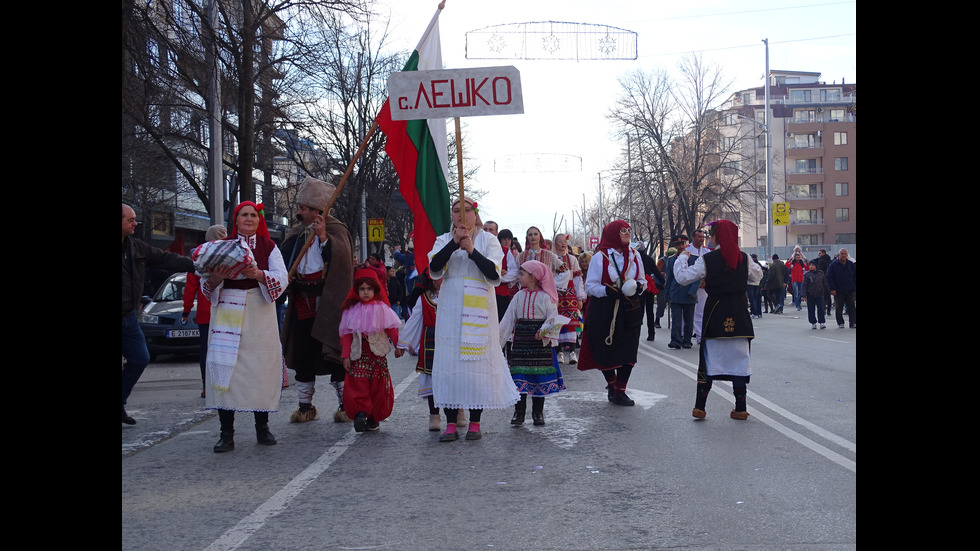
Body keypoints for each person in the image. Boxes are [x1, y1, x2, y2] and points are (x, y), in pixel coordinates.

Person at [197, 201, 288, 452]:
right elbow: (206, 284)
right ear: (235, 220)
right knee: (225, 369)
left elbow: (282, 278)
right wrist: (216, 278)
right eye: (244, 215)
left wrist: (258, 275)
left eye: (253, 215)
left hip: (259, 309)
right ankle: (226, 433)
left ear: (259, 220)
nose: (249, 219)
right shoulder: (220, 247)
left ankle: (263, 426)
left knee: (261, 367)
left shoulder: (270, 247)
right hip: (227, 308)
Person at [427, 198, 520, 441]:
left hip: (479, 304)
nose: (460, 215)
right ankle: (450, 422)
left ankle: (475, 422)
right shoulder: (442, 239)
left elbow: (494, 273)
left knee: (476, 363)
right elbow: (434, 268)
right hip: (451, 305)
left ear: (474, 214)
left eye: (465, 210)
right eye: (456, 211)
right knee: (450, 363)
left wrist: (471, 250)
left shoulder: (488, 240)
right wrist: (454, 244)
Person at [280, 177, 355, 424]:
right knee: (303, 354)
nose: (299, 212)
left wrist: (323, 237)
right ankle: (305, 407)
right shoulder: (296, 232)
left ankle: (345, 406)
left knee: (332, 353)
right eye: (299, 207)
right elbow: (284, 261)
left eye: (303, 208)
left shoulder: (335, 229)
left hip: (328, 303)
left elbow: (341, 261)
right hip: (302, 302)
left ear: (317, 211)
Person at [674, 219, 762, 420]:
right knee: (740, 358)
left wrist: (683, 257)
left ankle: (700, 407)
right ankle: (740, 408)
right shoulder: (745, 258)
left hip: (716, 311)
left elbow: (683, 278)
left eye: (712, 235)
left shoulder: (708, 259)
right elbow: (757, 278)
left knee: (709, 358)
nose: (710, 239)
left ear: (716, 237)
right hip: (739, 312)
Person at [122, 204, 196, 425]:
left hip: (129, 317)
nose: (135, 223)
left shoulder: (136, 247)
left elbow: (165, 259)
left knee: (140, 358)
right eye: (130, 220)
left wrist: (196, 265)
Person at [576, 220, 646, 406]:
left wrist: (639, 286)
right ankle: (612, 383)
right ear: (613, 233)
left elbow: (642, 279)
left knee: (628, 349)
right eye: (622, 231)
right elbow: (590, 286)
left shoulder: (635, 255)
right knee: (604, 348)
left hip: (630, 308)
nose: (627, 234)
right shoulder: (601, 257)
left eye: (628, 231)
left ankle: (620, 390)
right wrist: (608, 291)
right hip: (605, 309)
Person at [498, 260, 569, 426]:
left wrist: (543, 331)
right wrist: (497, 343)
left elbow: (553, 318)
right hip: (521, 343)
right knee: (519, 377)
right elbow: (507, 321)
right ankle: (519, 412)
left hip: (539, 343)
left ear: (533, 277)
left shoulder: (546, 298)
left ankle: (538, 413)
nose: (518, 277)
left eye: (522, 274)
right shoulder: (518, 296)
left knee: (538, 377)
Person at [339, 268, 402, 432]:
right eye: (362, 289)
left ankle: (374, 417)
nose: (365, 292)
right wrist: (345, 356)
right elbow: (347, 335)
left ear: (375, 289)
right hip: (358, 354)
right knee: (357, 384)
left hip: (377, 354)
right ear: (356, 290)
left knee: (378, 387)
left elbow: (391, 329)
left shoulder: (381, 308)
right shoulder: (351, 310)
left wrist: (398, 346)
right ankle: (360, 413)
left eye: (369, 289)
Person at [182, 224, 227, 398]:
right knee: (226, 350)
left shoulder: (198, 257)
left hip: (205, 312)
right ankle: (225, 383)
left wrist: (186, 311)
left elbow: (190, 287)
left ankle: (206, 386)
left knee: (206, 350)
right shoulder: (231, 256)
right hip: (227, 311)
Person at [398, 269, 444, 431]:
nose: (442, 280)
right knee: (431, 379)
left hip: (449, 341)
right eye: (438, 277)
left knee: (453, 377)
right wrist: (402, 344)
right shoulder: (423, 299)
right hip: (431, 341)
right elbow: (413, 322)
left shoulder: (454, 295)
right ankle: (434, 416)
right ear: (431, 280)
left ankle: (458, 412)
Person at [551, 233, 585, 364]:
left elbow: (578, 279)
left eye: (564, 241)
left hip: (570, 293)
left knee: (571, 322)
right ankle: (559, 352)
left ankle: (571, 352)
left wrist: (580, 297)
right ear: (555, 243)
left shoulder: (572, 259)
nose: (563, 243)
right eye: (559, 241)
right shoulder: (551, 258)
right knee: (557, 321)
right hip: (556, 293)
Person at [664, 236, 699, 350]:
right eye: (677, 245)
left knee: (689, 320)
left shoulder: (693, 258)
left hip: (689, 293)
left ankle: (687, 340)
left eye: (682, 244)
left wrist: (692, 291)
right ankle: (675, 340)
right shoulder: (672, 259)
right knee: (676, 319)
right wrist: (667, 294)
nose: (680, 247)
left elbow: (697, 277)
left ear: (686, 244)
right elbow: (669, 278)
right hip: (676, 293)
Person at [686, 230, 712, 343]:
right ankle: (683, 335)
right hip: (689, 285)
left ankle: (700, 336)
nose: (701, 239)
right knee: (686, 312)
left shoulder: (707, 251)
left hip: (702, 285)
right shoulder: (686, 251)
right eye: (699, 237)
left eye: (702, 237)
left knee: (700, 311)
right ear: (693, 238)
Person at [637, 243, 664, 341]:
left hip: (638, 286)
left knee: (639, 311)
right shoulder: (649, 259)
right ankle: (651, 334)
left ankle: (636, 334)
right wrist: (663, 282)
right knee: (650, 311)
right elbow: (656, 272)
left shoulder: (634, 259)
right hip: (649, 285)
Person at [826, 248, 856, 328]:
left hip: (850, 290)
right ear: (839, 255)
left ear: (847, 255)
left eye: (845, 254)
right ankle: (840, 323)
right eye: (842, 254)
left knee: (851, 307)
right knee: (839, 307)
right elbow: (829, 277)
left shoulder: (851, 264)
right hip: (838, 290)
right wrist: (832, 289)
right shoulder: (833, 265)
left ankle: (853, 322)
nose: (843, 255)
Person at [494, 229, 519, 321]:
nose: (507, 241)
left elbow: (514, 272)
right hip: (486, 290)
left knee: (502, 320)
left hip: (502, 292)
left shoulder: (506, 252)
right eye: (504, 239)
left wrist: (498, 277)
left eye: (509, 239)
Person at [801, 261, 830, 329]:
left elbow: (825, 283)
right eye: (810, 265)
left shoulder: (821, 274)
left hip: (819, 294)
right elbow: (804, 286)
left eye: (813, 265)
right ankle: (813, 322)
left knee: (821, 308)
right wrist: (804, 295)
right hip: (810, 294)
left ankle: (821, 322)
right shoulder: (807, 275)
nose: (811, 266)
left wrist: (828, 291)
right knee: (811, 309)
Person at [813, 248, 834, 316]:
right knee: (828, 296)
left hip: (823, 279)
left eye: (819, 253)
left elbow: (820, 270)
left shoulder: (821, 261)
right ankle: (829, 310)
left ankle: (824, 309)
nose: (818, 255)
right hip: (830, 279)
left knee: (823, 296)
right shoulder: (829, 260)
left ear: (823, 253)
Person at [746, 253, 764, 319]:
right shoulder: (757, 265)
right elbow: (761, 275)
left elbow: (748, 274)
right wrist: (758, 280)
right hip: (757, 284)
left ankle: (754, 313)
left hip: (750, 284)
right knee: (757, 299)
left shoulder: (748, 266)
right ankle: (759, 313)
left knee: (752, 299)